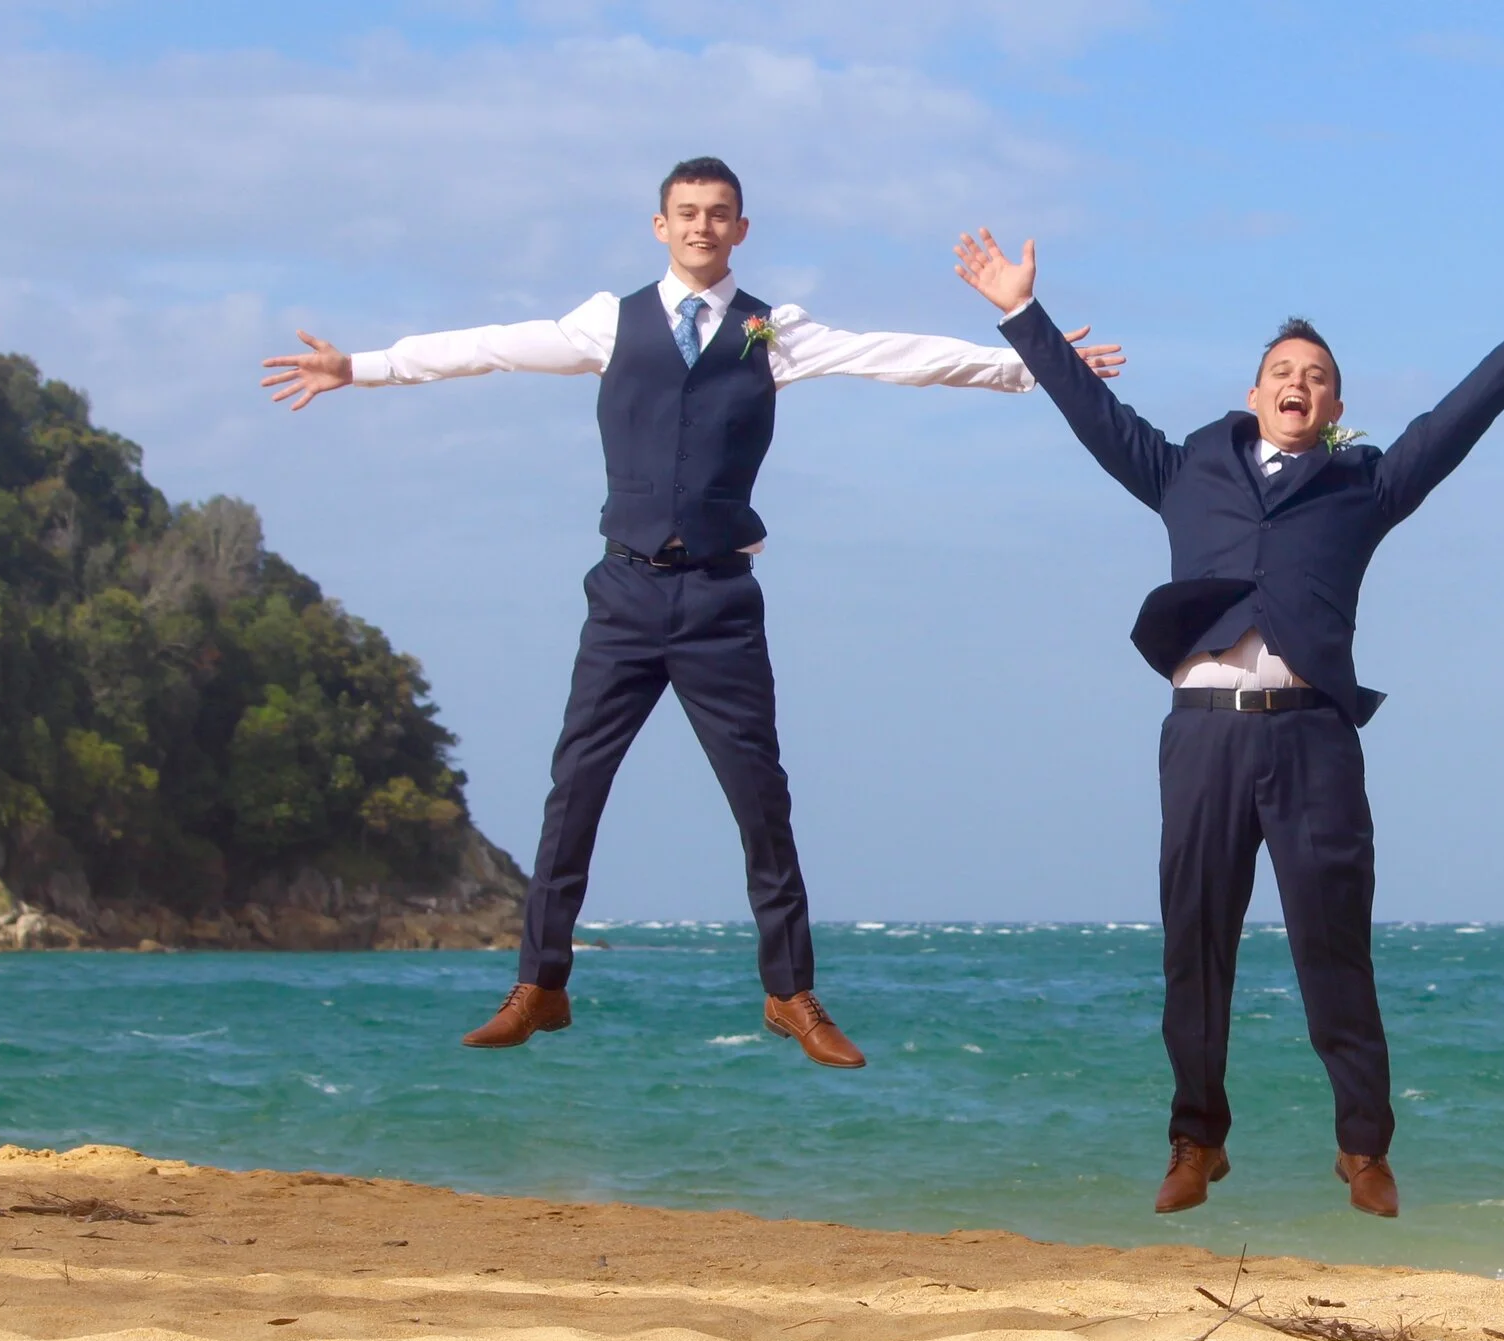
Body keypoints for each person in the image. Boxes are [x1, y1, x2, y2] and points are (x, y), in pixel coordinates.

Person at [260, 157, 1120, 1063]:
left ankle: (792, 995)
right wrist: (360, 367)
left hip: (719, 600)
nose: (703, 226)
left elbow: (897, 357)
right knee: (573, 793)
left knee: (762, 803)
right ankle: (539, 986)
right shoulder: (611, 322)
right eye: (687, 213)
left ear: (741, 230)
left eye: (719, 214)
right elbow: (491, 345)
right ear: (660, 226)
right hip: (624, 594)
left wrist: (1036, 368)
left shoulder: (772, 331)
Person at [954, 226, 1504, 1217]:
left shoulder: (1364, 485)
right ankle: (1194, 1139)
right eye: (1280, 371)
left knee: (1332, 944)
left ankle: (1362, 1147)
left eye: (1315, 376)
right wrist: (1018, 310)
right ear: (1254, 391)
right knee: (1196, 945)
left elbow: (1452, 424)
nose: (1296, 383)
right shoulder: (1185, 471)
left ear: (1335, 407)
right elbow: (1090, 410)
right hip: (1203, 733)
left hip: (1312, 739)